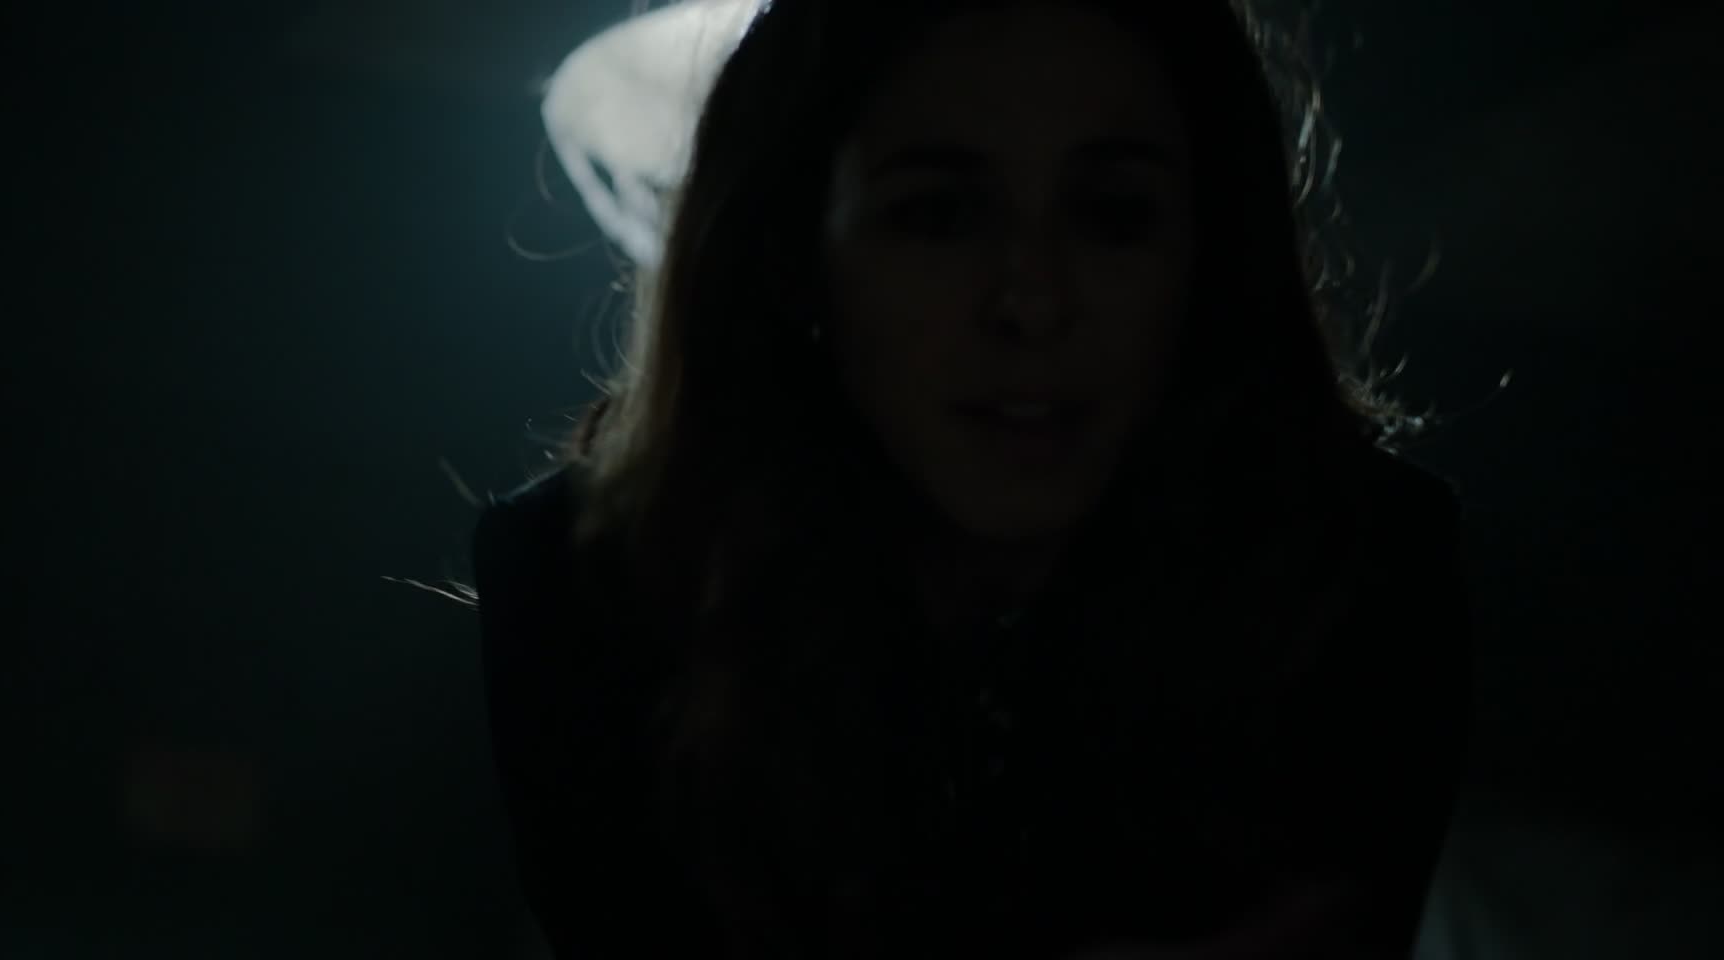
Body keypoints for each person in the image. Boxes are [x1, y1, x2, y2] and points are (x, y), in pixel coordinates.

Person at [472, 0, 1471, 957]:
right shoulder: (592, 585)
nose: (1032, 302)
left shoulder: (1361, 567)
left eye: (1115, 215)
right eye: (939, 215)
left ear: (1209, 258)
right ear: (793, 252)